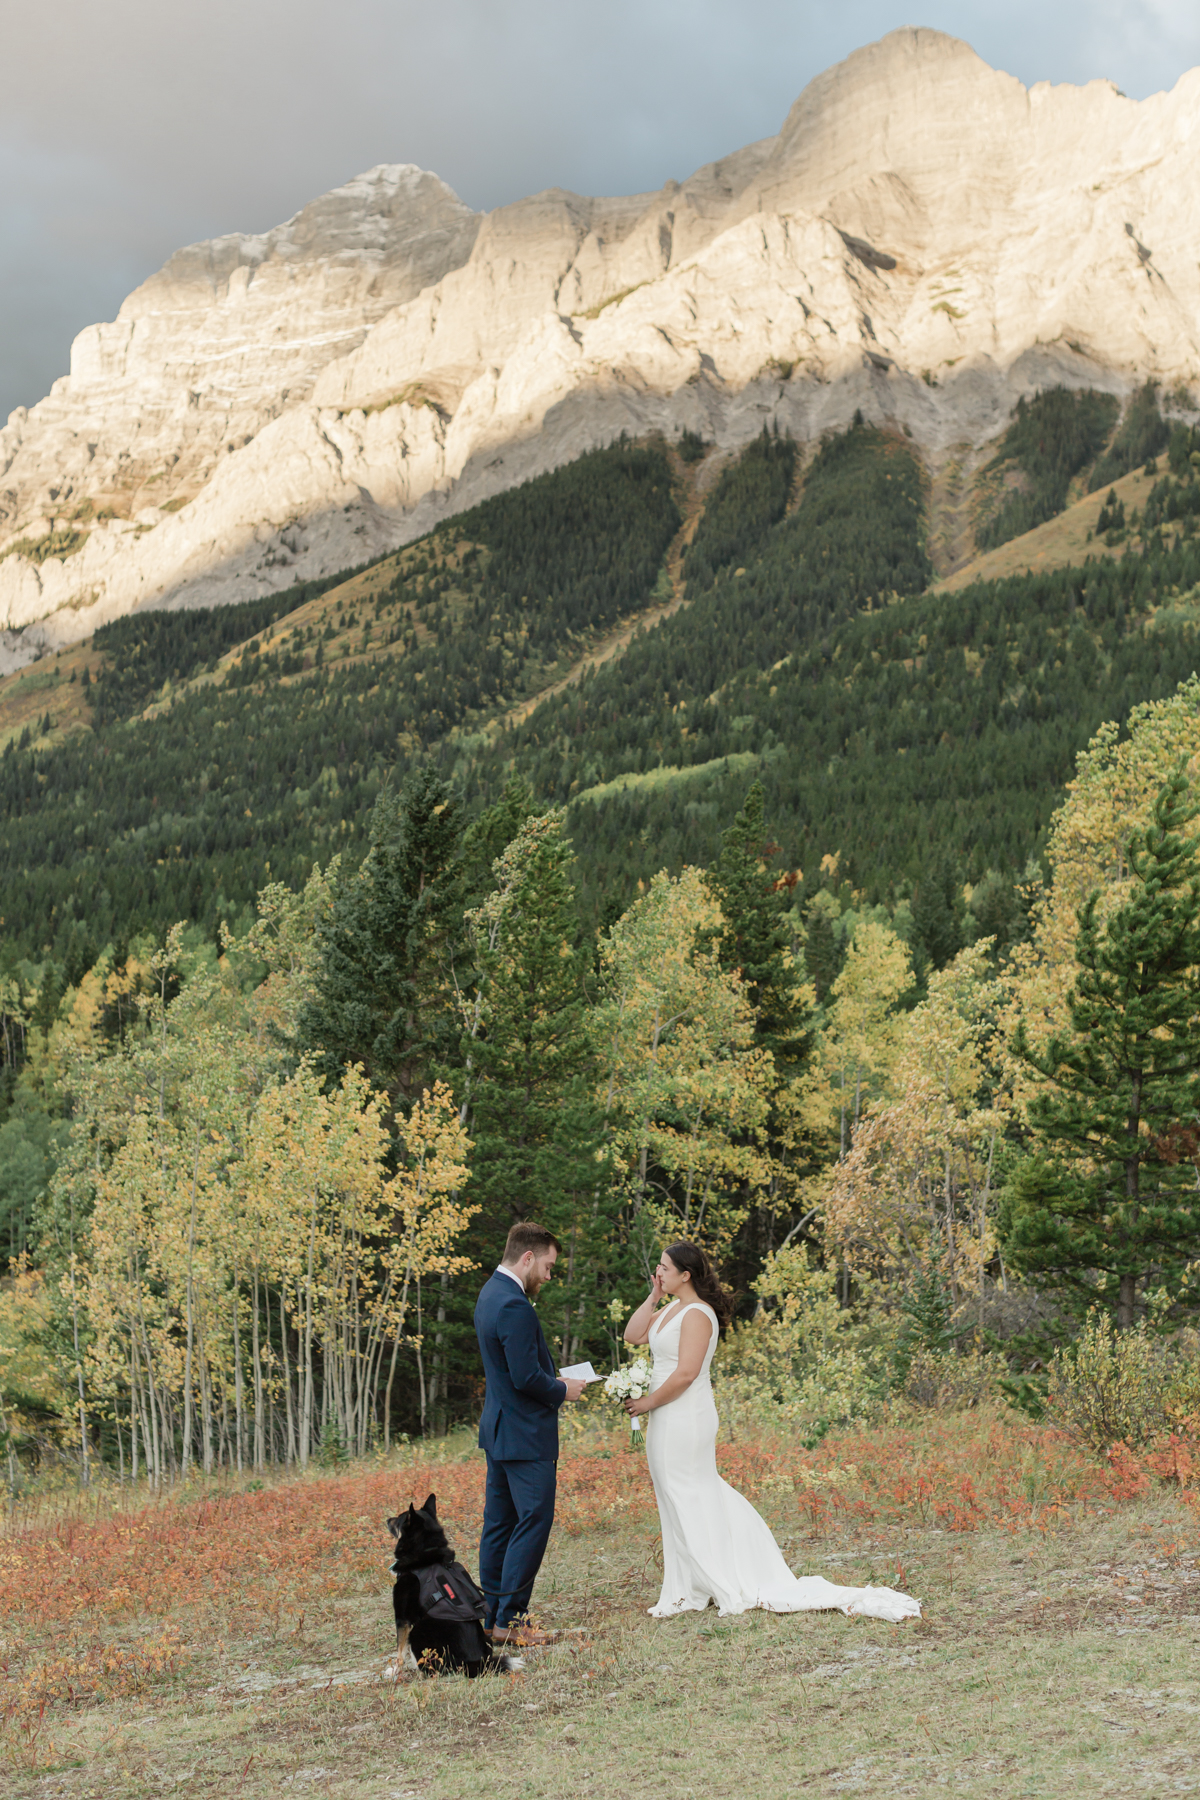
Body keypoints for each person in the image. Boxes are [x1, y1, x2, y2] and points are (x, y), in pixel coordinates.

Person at [623, 1241, 921, 1623]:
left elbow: (686, 1373)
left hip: (685, 1413)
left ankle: (725, 1575)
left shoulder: (698, 1313)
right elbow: (633, 1335)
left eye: (664, 1268)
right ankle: (689, 1584)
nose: (658, 1273)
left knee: (691, 1489)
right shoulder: (668, 1310)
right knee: (673, 1492)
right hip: (665, 1414)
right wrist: (653, 1296)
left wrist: (648, 1403)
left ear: (686, 1275)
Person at [474, 1221, 586, 1645]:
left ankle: (490, 1618)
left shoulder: (489, 1294)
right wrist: (564, 1389)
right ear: (527, 1258)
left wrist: (548, 1378)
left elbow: (511, 1369)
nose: (549, 1275)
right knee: (533, 1521)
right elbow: (524, 1378)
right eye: (548, 1266)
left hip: (500, 1430)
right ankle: (512, 1622)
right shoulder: (515, 1305)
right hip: (525, 1436)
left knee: (499, 1525)